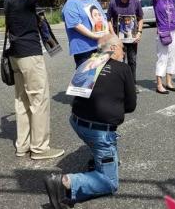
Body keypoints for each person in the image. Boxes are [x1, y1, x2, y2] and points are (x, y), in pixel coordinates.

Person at [43, 34, 137, 209]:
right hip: (100, 132)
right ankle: (63, 182)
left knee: (109, 154)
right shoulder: (123, 69)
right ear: (114, 48)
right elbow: (131, 105)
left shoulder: (86, 64)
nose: (123, 52)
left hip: (77, 122)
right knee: (109, 182)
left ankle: (99, 158)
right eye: (122, 48)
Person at [4, 0, 65, 160]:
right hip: (30, 55)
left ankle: (23, 145)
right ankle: (40, 148)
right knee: (39, 100)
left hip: (15, 56)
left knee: (22, 101)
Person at [62, 0, 108, 68]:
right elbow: (76, 24)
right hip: (84, 49)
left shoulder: (93, 1)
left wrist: (106, 35)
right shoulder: (71, 4)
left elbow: (103, 18)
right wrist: (95, 36)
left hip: (100, 45)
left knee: (102, 78)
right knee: (87, 79)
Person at [107, 0, 143, 85]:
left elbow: (140, 18)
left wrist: (139, 32)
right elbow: (108, 19)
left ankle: (132, 85)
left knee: (132, 62)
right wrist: (113, 35)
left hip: (132, 39)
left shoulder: (135, 1)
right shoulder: (113, 3)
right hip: (118, 40)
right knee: (119, 62)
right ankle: (120, 85)